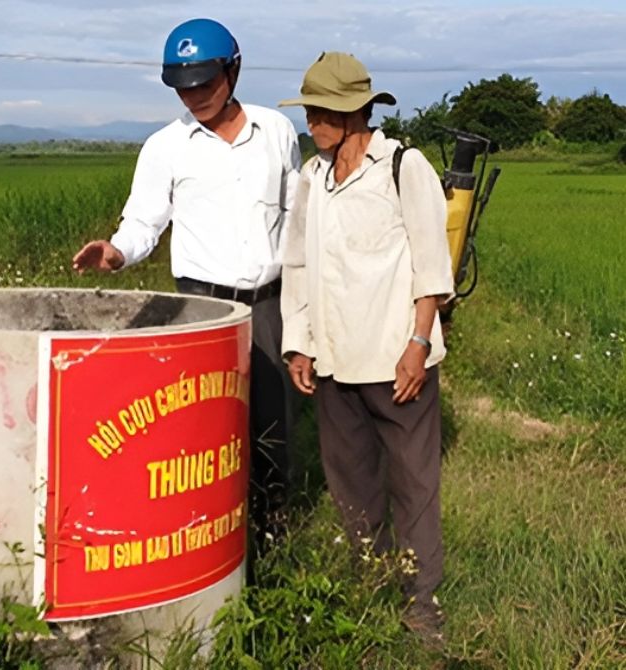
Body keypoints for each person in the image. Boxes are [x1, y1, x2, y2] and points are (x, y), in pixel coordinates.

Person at [72, 18, 302, 565]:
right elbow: (143, 222)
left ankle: (273, 537)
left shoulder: (276, 132)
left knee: (272, 426)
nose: (194, 95)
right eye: (183, 86)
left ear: (234, 70)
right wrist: (118, 252)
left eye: (205, 82)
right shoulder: (165, 148)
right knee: (202, 430)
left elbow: (298, 215)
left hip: (268, 302)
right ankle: (201, 541)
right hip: (202, 307)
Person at [278, 52, 453, 646]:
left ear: (353, 111)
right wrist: (298, 346)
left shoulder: (403, 167)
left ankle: (422, 602)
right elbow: (297, 265)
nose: (311, 124)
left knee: (413, 481)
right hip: (333, 360)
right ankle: (371, 581)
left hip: (395, 358)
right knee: (350, 479)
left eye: (320, 112)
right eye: (308, 112)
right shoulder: (313, 176)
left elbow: (432, 267)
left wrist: (418, 343)